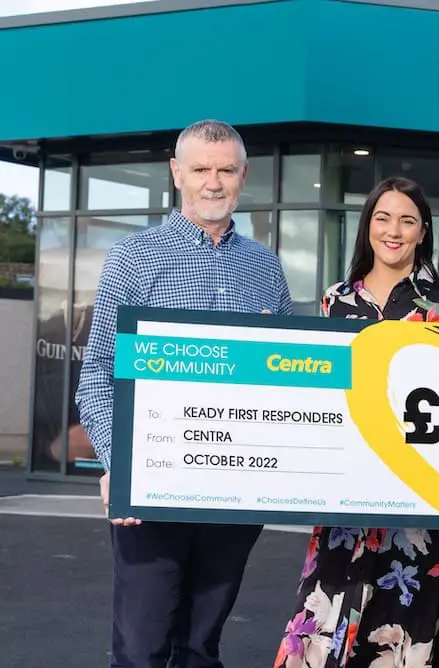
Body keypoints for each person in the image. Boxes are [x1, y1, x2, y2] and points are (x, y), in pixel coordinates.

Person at [76, 119, 294, 668]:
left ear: (243, 175)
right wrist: (120, 464)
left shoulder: (266, 268)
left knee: (201, 647)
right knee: (142, 647)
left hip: (234, 493)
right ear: (177, 173)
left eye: (225, 170)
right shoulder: (133, 258)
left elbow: (288, 382)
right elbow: (100, 370)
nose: (213, 182)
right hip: (150, 491)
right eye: (200, 169)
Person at [274, 176, 439, 668]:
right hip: (346, 497)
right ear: (368, 227)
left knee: (402, 637)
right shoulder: (334, 301)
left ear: (423, 231)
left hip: (420, 502)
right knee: (325, 626)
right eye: (383, 218)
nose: (394, 230)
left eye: (407, 220)